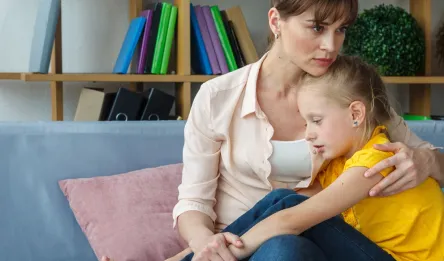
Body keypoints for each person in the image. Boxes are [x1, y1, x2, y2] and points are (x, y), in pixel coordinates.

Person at [101, 0, 444, 261]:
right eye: (317, 27)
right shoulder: (219, 97)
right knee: (282, 222)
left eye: (341, 30)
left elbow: (428, 160)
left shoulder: (351, 91)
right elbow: (193, 202)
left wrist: (427, 161)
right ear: (276, 21)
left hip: (311, 246)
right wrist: (206, 246)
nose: (331, 45)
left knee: (284, 243)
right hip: (236, 245)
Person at [190, 55, 443, 261]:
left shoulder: (377, 158)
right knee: (282, 199)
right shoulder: (337, 164)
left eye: (317, 121)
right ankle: (199, 255)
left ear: (356, 114)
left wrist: (232, 252)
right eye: (306, 122)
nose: (308, 134)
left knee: (291, 209)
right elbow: (286, 202)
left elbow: (292, 218)